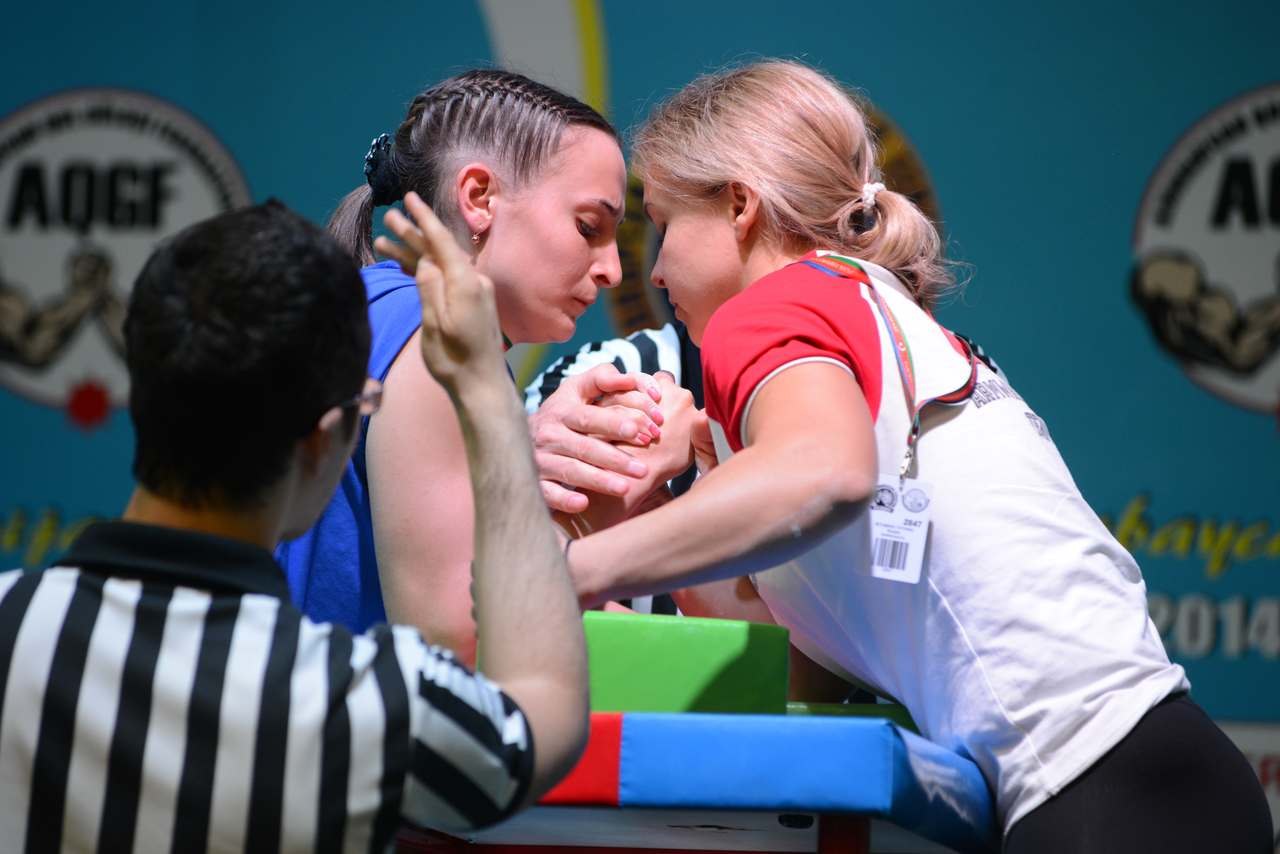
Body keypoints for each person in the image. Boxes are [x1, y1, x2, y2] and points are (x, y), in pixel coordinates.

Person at [556, 60, 1273, 851]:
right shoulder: (871, 311)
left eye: (663, 226)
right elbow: (811, 670)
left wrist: (563, 575)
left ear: (739, 205)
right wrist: (668, 496)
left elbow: (821, 474)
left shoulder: (771, 306)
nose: (654, 269)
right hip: (1170, 779)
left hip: (1102, 794)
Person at [0, 200, 589, 852]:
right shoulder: (364, 700)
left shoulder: (11, 621)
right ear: (325, 440)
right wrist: (488, 398)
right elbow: (542, 712)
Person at [280, 69, 696, 659]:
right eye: (588, 227)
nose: (612, 270)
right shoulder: (432, 339)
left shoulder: (381, 314)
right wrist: (614, 494)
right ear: (479, 198)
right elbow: (460, 643)